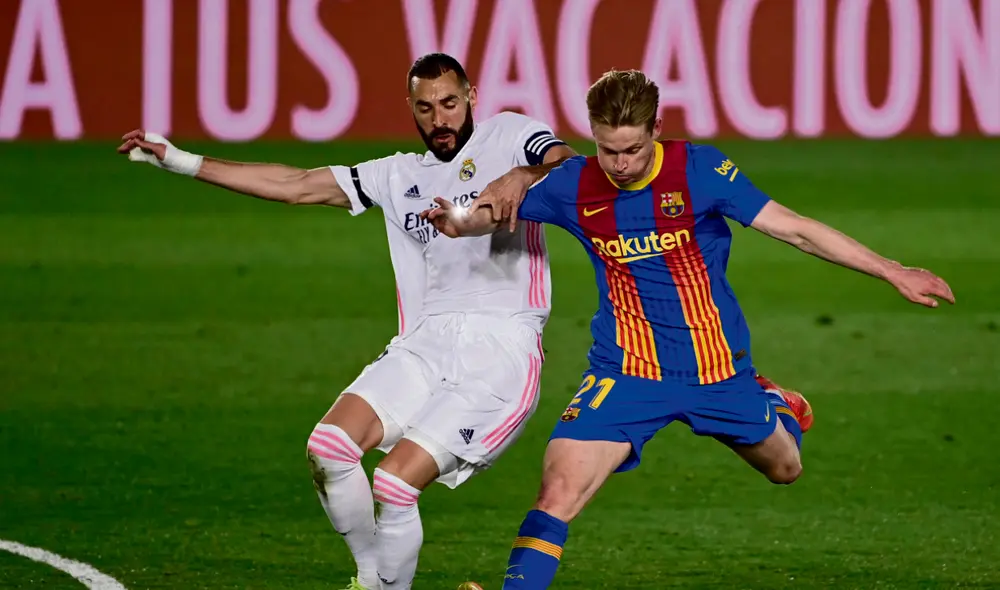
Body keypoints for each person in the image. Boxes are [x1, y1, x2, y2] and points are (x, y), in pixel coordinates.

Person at [423, 69, 954, 589]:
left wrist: (892, 270)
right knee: (558, 488)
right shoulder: (574, 184)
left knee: (785, 468)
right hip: (627, 371)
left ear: (657, 128)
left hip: (716, 369)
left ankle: (776, 403)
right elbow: (492, 211)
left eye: (633, 149)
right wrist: (460, 220)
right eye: (608, 150)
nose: (621, 164)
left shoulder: (700, 171)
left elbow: (796, 230)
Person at [117, 53, 576, 590]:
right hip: (425, 344)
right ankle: (370, 577)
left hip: (499, 352)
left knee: (395, 486)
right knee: (329, 448)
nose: (440, 119)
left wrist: (523, 175)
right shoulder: (398, 174)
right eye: (426, 108)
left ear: (472, 97)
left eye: (450, 103)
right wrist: (181, 161)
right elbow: (297, 183)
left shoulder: (510, 136)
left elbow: (572, 167)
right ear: (411, 107)